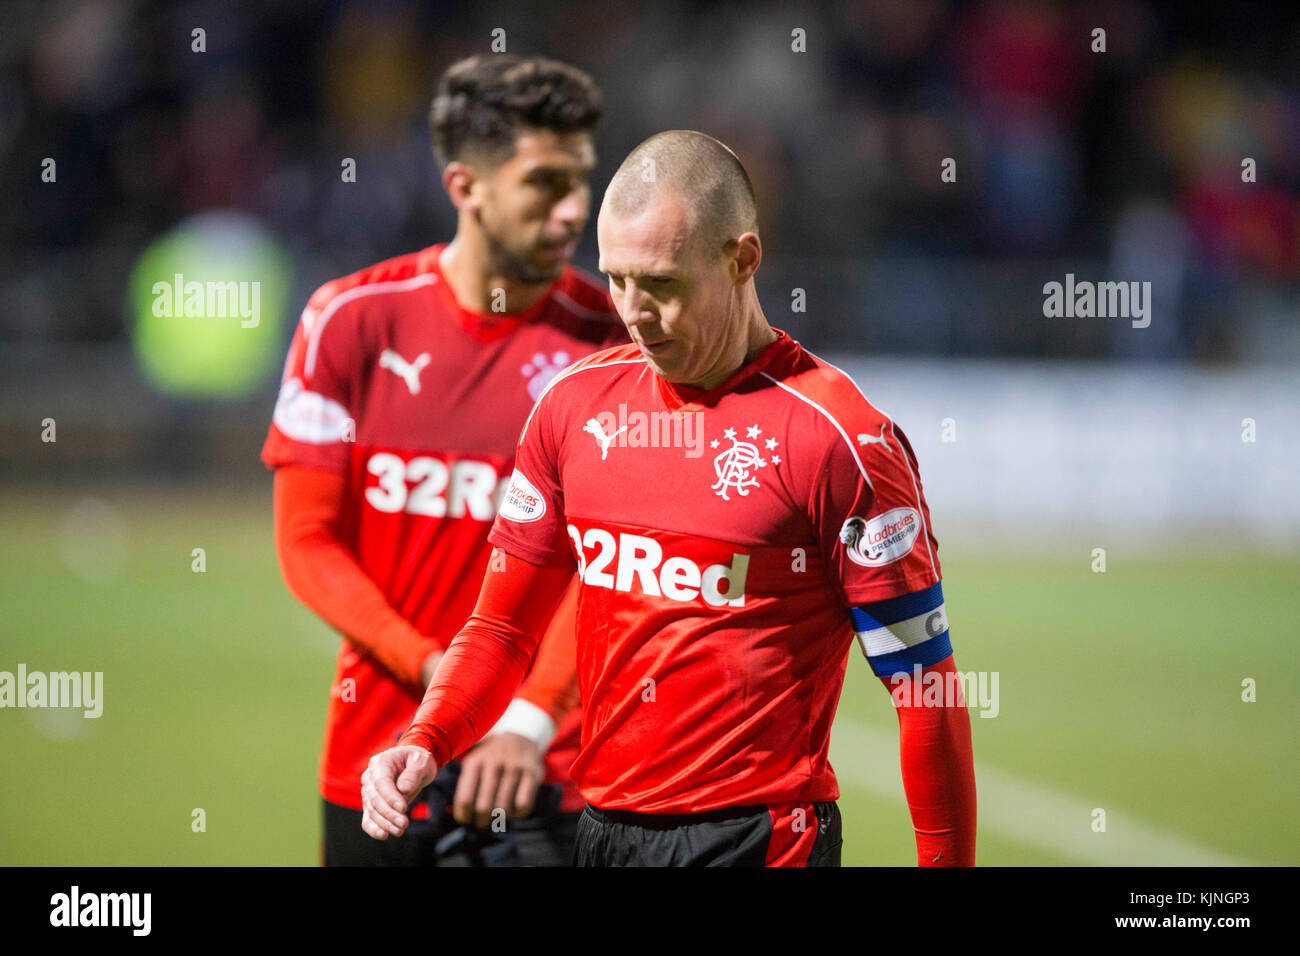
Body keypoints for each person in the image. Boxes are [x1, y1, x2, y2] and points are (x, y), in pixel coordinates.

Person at [361, 130, 976, 866]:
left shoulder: (839, 438)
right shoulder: (572, 409)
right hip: (602, 834)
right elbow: (501, 632)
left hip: (760, 838)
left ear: (742, 259)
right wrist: (426, 740)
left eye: (660, 284)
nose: (633, 311)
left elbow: (923, 687)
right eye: (616, 279)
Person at [262, 54, 624, 866]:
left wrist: (525, 712)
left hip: (538, 764)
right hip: (378, 753)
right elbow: (306, 543)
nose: (574, 212)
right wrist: (435, 673)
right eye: (544, 183)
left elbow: (604, 563)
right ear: (466, 188)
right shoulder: (351, 322)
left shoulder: (611, 347)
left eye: (582, 181)